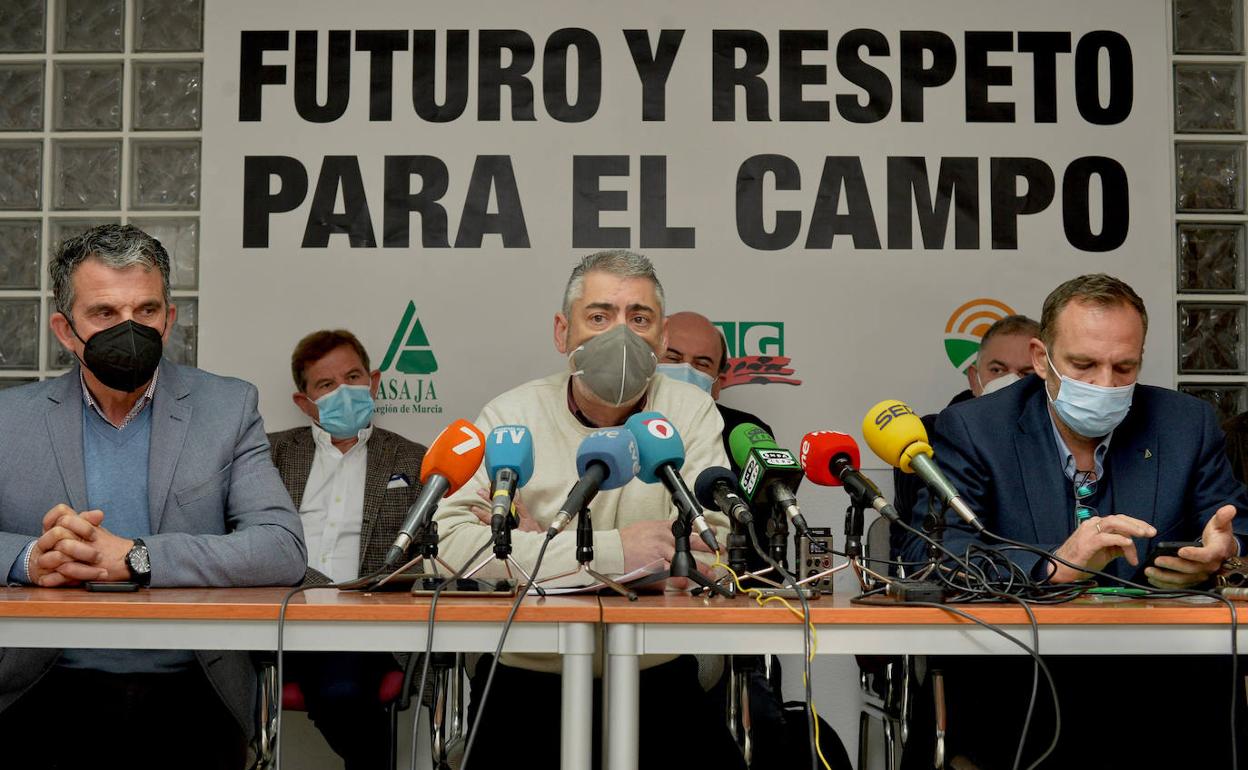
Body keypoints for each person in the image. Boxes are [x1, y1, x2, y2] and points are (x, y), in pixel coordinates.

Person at [898, 274, 1248, 768]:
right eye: (1084, 365)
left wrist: (1224, 553)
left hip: (1162, 690)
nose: (1105, 384)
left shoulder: (1185, 424)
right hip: (1019, 686)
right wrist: (1053, 566)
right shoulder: (976, 429)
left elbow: (1236, 524)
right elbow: (931, 555)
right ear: (1042, 359)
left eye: (1124, 367)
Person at [0, 224, 307, 766]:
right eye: (104, 313)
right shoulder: (9, 419)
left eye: (146, 310)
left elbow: (281, 546)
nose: (130, 327)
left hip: (192, 687)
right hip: (42, 685)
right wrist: (30, 559)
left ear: (169, 318)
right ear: (65, 330)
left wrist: (138, 558)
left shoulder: (227, 408)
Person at [433, 250, 744, 769]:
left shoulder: (689, 410)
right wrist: (621, 553)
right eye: (599, 316)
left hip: (653, 669)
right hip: (529, 671)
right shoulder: (511, 414)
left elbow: (707, 549)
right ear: (563, 332)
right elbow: (446, 546)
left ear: (661, 337)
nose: (620, 335)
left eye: (639, 319)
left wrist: (533, 551)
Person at [268, 329, 427, 770]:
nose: (344, 391)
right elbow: (249, 539)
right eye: (326, 384)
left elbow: (428, 554)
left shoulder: (413, 459)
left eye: (353, 377)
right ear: (304, 402)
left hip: (368, 627)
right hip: (279, 621)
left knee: (341, 688)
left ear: (373, 383)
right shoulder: (269, 454)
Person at [891, 314, 1038, 561]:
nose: (1011, 382)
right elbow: (924, 541)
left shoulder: (1058, 440)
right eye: (997, 370)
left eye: (1026, 373)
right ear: (974, 377)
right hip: (964, 576)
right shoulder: (930, 436)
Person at [661, 310, 775, 566]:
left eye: (701, 364)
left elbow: (758, 541)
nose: (685, 370)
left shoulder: (746, 431)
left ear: (718, 383)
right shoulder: (618, 421)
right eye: (673, 358)